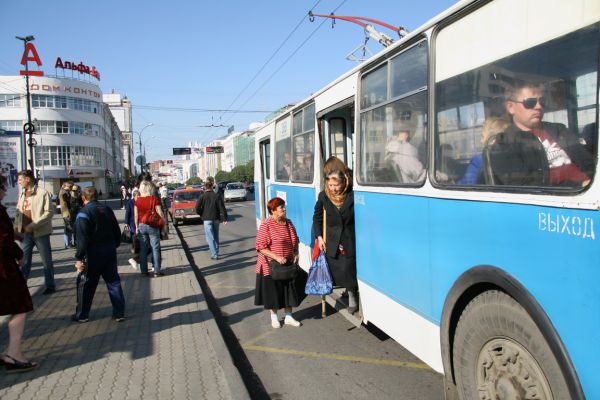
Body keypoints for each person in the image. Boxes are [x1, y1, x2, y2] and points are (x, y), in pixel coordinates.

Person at [488, 82, 594, 187]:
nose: (538, 107)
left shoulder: (559, 130)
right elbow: (528, 187)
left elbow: (588, 162)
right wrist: (580, 185)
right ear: (511, 107)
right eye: (530, 102)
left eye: (542, 102)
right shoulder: (504, 145)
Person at [0, 175, 37, 372]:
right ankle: (13, 354)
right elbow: (3, 239)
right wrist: (18, 253)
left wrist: (16, 234)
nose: (5, 191)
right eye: (3, 187)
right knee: (20, 305)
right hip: (4, 270)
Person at [312, 157, 359, 314]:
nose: (333, 189)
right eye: (330, 185)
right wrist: (319, 237)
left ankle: (353, 299)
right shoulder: (323, 196)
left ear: (343, 183)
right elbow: (317, 218)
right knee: (338, 268)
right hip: (332, 239)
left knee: (349, 268)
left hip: (349, 238)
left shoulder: (352, 196)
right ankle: (345, 290)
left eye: (336, 185)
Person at [72, 186, 125, 322]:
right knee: (113, 282)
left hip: (92, 254)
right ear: (97, 196)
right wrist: (114, 244)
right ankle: (119, 313)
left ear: (83, 198)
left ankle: (83, 314)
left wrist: (79, 257)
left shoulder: (83, 213)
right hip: (109, 251)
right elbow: (116, 230)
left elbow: (82, 239)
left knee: (87, 284)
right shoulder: (107, 210)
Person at [254, 197, 304, 328]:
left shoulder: (288, 223)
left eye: (283, 206)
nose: (284, 209)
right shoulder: (266, 224)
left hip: (287, 263)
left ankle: (288, 317)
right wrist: (276, 257)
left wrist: (296, 253)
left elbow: (295, 239)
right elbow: (260, 246)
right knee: (274, 292)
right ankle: (274, 317)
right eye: (281, 207)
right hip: (271, 265)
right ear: (273, 210)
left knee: (288, 291)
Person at [14, 170, 56, 294]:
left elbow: (49, 212)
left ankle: (50, 285)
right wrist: (16, 226)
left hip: (40, 232)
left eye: (21, 179)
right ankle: (22, 285)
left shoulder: (42, 193)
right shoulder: (22, 193)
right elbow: (19, 211)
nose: (19, 182)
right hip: (26, 233)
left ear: (28, 179)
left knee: (46, 260)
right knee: (24, 260)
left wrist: (34, 224)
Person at [458, 117, 510, 185]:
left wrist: (451, 183)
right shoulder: (514, 158)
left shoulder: (479, 161)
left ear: (493, 141)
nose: (481, 141)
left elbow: (467, 184)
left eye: (482, 137)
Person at [135, 180, 166, 277]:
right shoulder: (154, 199)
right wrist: (164, 224)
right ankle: (157, 271)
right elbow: (160, 212)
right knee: (155, 248)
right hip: (153, 225)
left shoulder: (137, 200)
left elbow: (136, 215)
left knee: (143, 249)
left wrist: (136, 227)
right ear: (150, 188)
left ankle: (144, 271)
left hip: (141, 225)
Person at [195, 181, 228, 260]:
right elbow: (222, 208)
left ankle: (214, 254)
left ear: (205, 187)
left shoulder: (202, 196)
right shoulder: (217, 196)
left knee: (210, 237)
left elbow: (197, 208)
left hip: (206, 219)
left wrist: (201, 214)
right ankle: (216, 251)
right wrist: (225, 218)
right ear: (212, 186)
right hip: (216, 219)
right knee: (216, 236)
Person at [59, 181, 74, 249]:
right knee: (68, 228)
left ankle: (67, 243)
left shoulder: (62, 192)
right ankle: (68, 244)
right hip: (66, 213)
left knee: (67, 228)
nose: (71, 188)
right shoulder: (64, 193)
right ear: (65, 186)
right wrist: (69, 212)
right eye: (70, 186)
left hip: (65, 212)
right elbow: (67, 204)